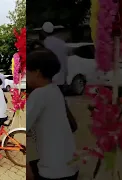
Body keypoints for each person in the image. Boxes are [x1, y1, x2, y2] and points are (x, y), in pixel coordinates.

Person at [26, 48, 79, 180]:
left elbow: (21, 131)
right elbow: (72, 125)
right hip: (70, 165)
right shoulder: (55, 90)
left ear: (37, 72)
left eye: (26, 72)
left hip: (53, 172)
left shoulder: (38, 94)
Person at [39, 22, 68, 91]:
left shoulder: (45, 44)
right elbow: (65, 61)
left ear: (43, 32)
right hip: (61, 78)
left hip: (49, 79)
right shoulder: (62, 43)